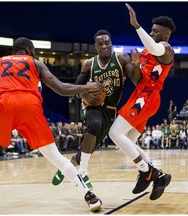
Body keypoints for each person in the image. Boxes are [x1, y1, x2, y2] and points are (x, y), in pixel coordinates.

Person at [0, 37, 104, 214]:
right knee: (54, 155)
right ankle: (89, 196)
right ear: (27, 50)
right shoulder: (35, 63)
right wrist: (86, 87)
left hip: (5, 103)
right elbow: (62, 89)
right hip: (30, 105)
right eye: (33, 50)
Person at [52, 29, 141, 189]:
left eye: (107, 43)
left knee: (87, 150)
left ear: (111, 43)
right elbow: (77, 87)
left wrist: (137, 66)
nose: (104, 46)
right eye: (101, 44)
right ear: (96, 46)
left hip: (110, 109)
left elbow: (136, 81)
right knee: (94, 125)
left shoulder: (121, 59)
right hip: (92, 105)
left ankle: (66, 168)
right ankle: (84, 173)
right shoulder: (89, 64)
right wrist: (84, 96)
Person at [108, 3, 176, 200]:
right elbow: (137, 79)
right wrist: (135, 66)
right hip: (141, 93)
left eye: (155, 31)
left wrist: (136, 25)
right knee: (128, 140)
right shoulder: (147, 52)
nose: (152, 33)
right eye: (151, 30)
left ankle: (148, 172)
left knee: (114, 133)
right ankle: (158, 175)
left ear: (166, 35)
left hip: (147, 97)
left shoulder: (166, 49)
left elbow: (153, 46)